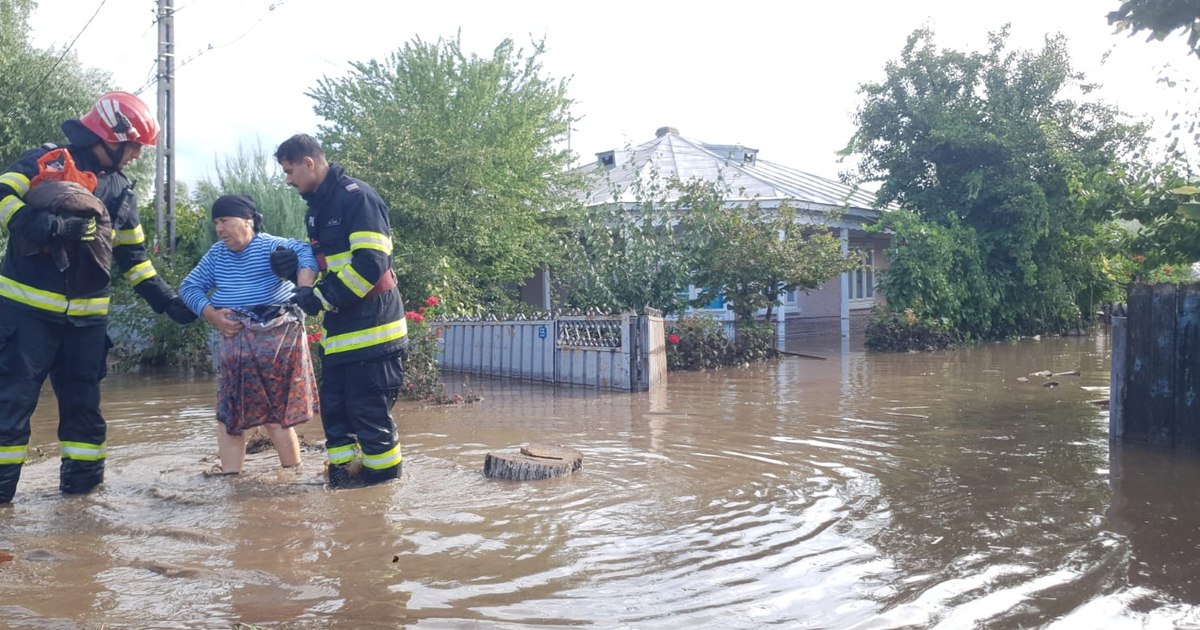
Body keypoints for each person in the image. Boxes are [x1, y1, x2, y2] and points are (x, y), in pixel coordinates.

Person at [0, 91, 198, 504]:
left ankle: (82, 510)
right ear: (110, 136)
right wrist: (47, 226)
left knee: (85, 417)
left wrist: (168, 302)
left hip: (87, 326)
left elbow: (134, 259)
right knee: (10, 409)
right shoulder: (48, 161)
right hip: (27, 318)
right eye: (135, 146)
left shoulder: (122, 190)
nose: (138, 155)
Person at [271, 133, 407, 488]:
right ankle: (344, 493)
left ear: (309, 163)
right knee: (336, 419)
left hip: (375, 333)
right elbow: (332, 266)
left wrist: (320, 298)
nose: (288, 180)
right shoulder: (318, 210)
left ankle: (381, 497)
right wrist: (294, 275)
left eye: (290, 171)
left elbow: (371, 264)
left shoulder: (356, 198)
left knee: (370, 419)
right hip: (341, 338)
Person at [178, 194, 320, 475]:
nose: (219, 229)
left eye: (224, 221)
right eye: (216, 222)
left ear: (248, 221)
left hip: (277, 340)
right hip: (235, 339)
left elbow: (306, 252)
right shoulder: (217, 254)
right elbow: (189, 287)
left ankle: (292, 477)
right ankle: (232, 482)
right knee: (230, 414)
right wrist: (212, 315)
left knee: (276, 416)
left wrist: (302, 287)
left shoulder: (271, 246)